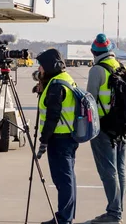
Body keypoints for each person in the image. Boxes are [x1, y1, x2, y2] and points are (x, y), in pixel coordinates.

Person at [86, 33, 126, 224]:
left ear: (94, 52)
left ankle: (113, 213)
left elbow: (90, 101)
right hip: (122, 127)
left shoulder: (97, 70)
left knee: (108, 171)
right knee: (120, 169)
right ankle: (117, 209)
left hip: (104, 127)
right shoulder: (121, 67)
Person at [35, 48, 79, 224]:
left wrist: (43, 141)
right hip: (69, 137)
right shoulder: (64, 79)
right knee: (68, 178)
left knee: (63, 180)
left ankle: (63, 218)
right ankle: (67, 215)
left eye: (42, 66)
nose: (40, 69)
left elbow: (52, 117)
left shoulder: (56, 86)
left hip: (59, 138)